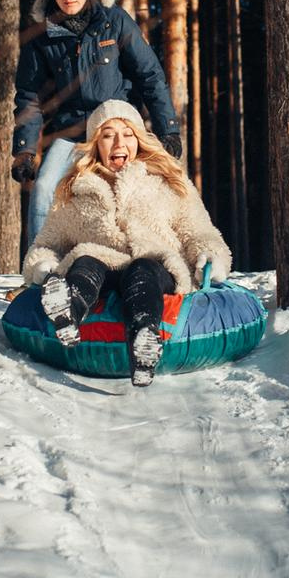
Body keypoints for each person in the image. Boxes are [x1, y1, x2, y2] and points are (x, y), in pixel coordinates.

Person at [22, 100, 230, 385]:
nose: (119, 143)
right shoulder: (76, 191)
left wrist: (210, 255)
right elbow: (47, 242)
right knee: (85, 261)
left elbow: (199, 231)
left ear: (139, 140)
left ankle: (144, 338)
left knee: (142, 269)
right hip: (105, 266)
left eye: (128, 134)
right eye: (108, 135)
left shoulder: (167, 181)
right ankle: (68, 312)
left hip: (157, 266)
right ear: (96, 145)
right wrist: (43, 265)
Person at [11, 0, 180, 250]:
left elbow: (150, 75)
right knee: (44, 188)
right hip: (72, 131)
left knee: (151, 185)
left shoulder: (115, 21)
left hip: (117, 127)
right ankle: (40, 265)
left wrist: (168, 128)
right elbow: (29, 96)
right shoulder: (42, 35)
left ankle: (156, 255)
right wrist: (24, 151)